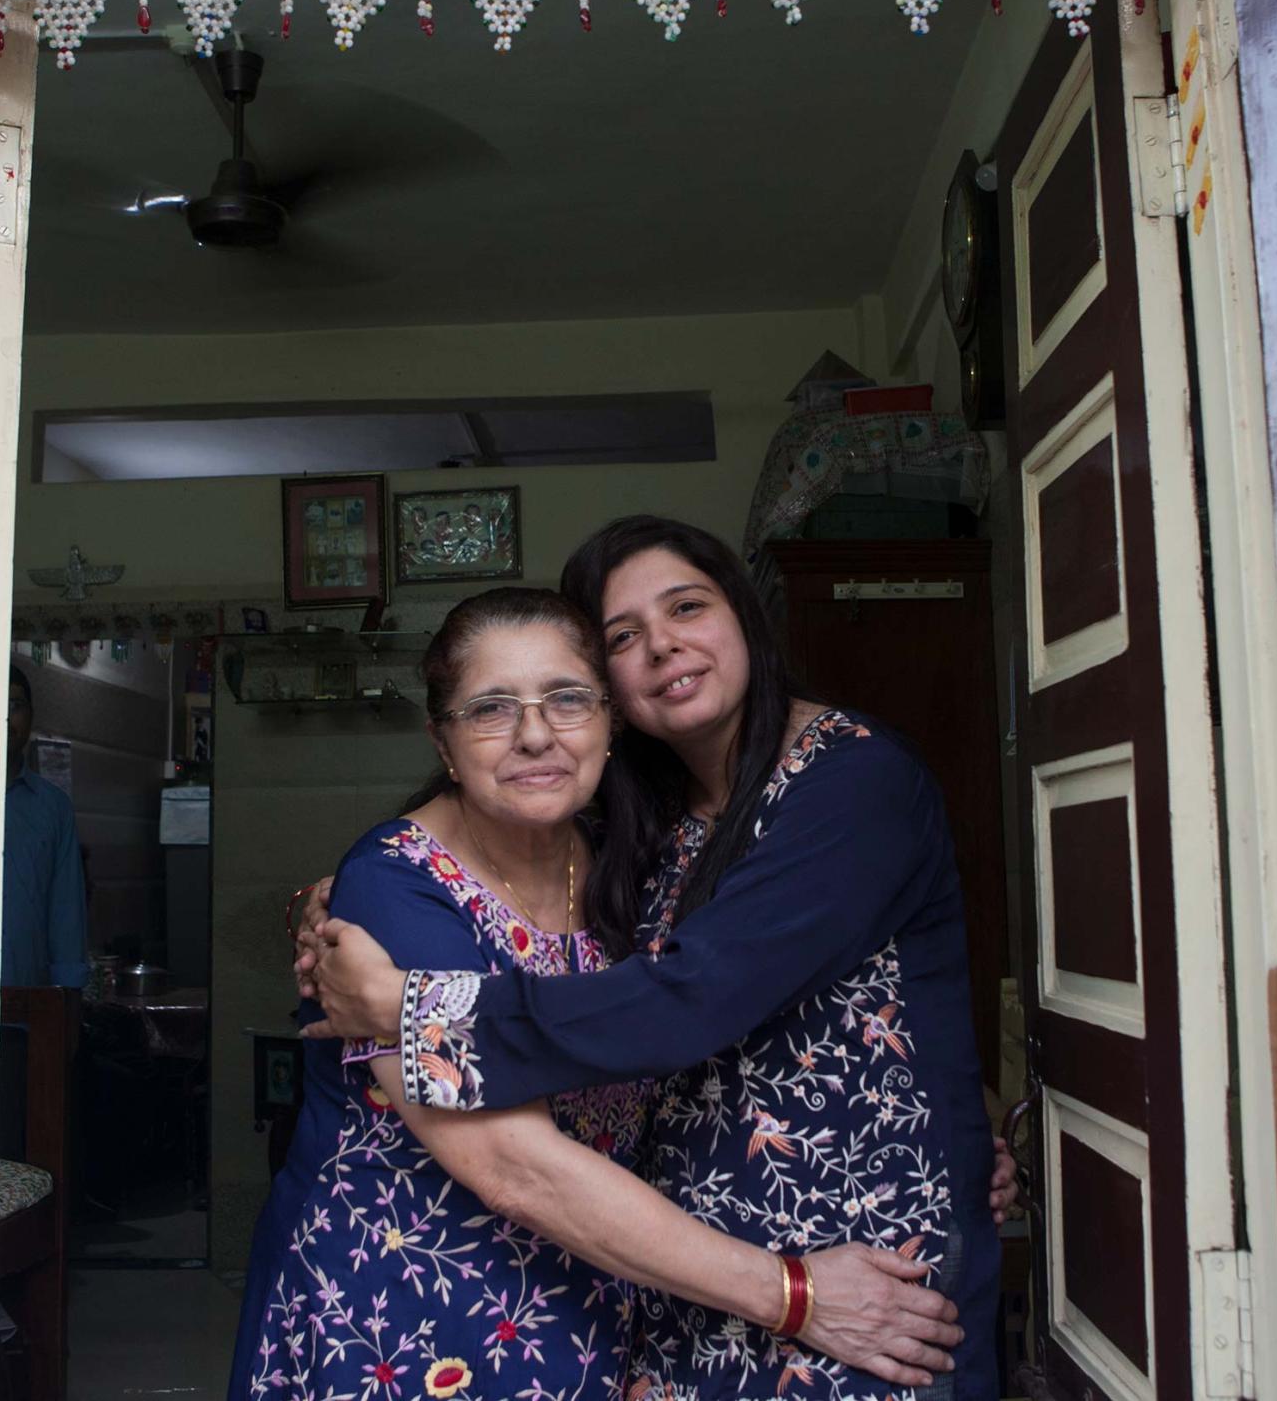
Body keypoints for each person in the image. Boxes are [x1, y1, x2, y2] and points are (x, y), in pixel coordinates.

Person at [303, 520, 1005, 1401]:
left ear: (744, 615)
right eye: (623, 637)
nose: (663, 643)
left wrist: (412, 1008)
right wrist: (350, 888)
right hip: (691, 1285)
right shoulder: (649, 819)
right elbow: (469, 860)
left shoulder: (853, 781)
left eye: (687, 607)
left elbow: (688, 998)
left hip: (861, 1268)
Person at [3, 662, 89, 989]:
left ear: (30, 716)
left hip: (26, 1008)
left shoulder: (52, 808)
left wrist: (67, 1000)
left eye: (15, 706)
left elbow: (65, 914)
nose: (6, 717)